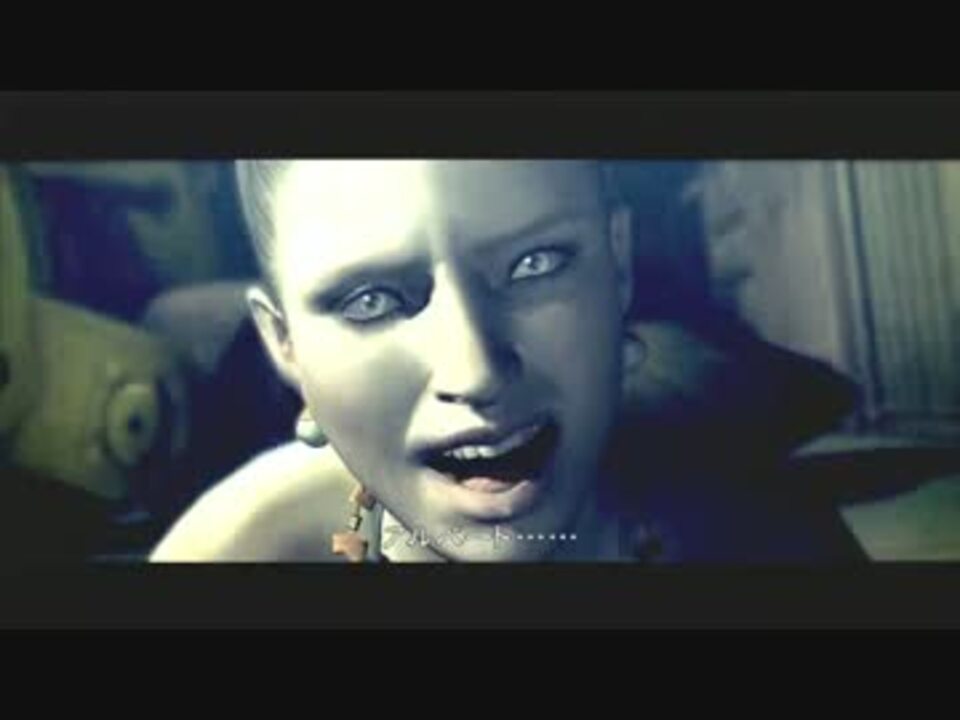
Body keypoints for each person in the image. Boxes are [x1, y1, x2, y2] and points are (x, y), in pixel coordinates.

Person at [150, 160, 866, 563]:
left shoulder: (755, 521)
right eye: (371, 299)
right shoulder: (247, 531)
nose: (476, 371)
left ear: (617, 264)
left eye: (535, 262)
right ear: (283, 342)